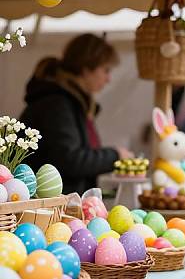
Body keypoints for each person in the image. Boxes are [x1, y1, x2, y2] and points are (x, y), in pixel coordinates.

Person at [20, 34, 133, 194]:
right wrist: (115, 155)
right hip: (53, 205)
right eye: (106, 70)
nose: (108, 78)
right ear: (87, 68)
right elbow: (70, 159)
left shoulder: (70, 102)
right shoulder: (57, 104)